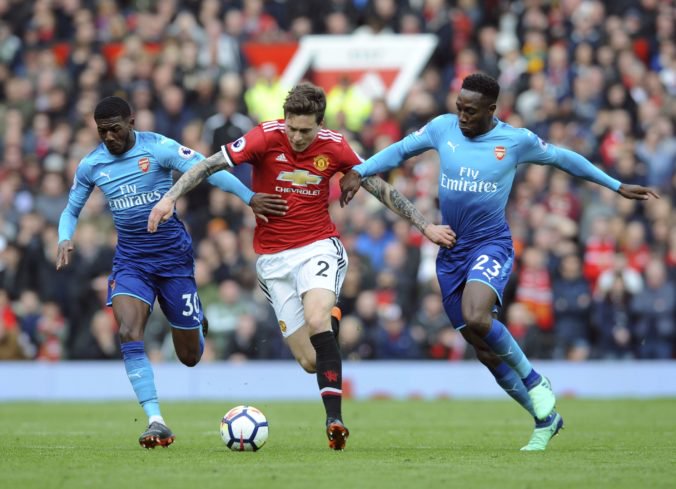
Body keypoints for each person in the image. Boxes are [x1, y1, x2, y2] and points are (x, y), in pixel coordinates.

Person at [340, 73, 659, 451]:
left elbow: (564, 159)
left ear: (492, 110)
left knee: (478, 316)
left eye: (470, 111)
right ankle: (545, 419)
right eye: (459, 107)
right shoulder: (442, 128)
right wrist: (360, 171)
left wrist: (615, 184)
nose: (461, 115)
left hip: (490, 245)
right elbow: (398, 152)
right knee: (485, 351)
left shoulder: (515, 140)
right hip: (451, 253)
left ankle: (536, 381)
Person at [147, 83, 456, 450]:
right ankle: (334, 320)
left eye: (305, 131)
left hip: (317, 247)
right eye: (291, 127)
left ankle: (334, 421)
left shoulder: (336, 146)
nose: (295, 137)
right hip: (273, 260)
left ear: (319, 125)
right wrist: (169, 198)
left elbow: (379, 187)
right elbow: (209, 164)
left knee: (315, 318)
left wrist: (425, 226)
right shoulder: (264, 136)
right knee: (310, 360)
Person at [56, 96, 286, 449]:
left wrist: (248, 196)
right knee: (129, 331)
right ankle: (156, 420)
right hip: (131, 263)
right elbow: (71, 209)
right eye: (102, 131)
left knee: (190, 357)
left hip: (173, 261)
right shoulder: (91, 164)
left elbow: (207, 170)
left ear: (131, 122)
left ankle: (198, 325)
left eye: (115, 129)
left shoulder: (159, 148)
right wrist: (64, 236)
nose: (109, 138)